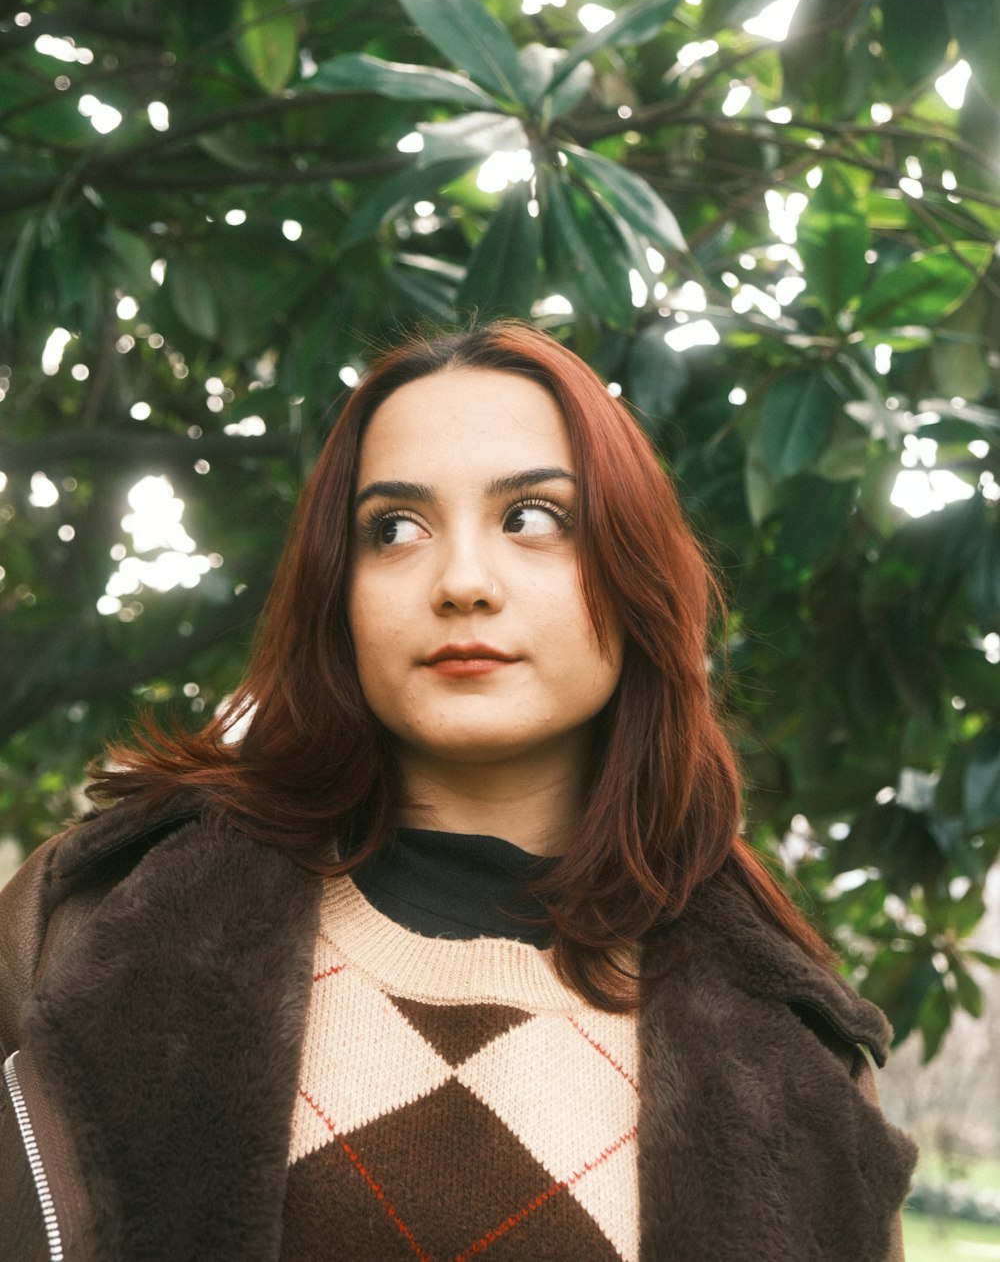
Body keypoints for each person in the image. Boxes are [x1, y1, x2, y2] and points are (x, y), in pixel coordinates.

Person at [0, 321, 915, 1262]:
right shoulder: (93, 920)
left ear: (634, 571)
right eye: (394, 529)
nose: (463, 582)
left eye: (532, 518)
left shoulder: (799, 1059)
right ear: (337, 590)